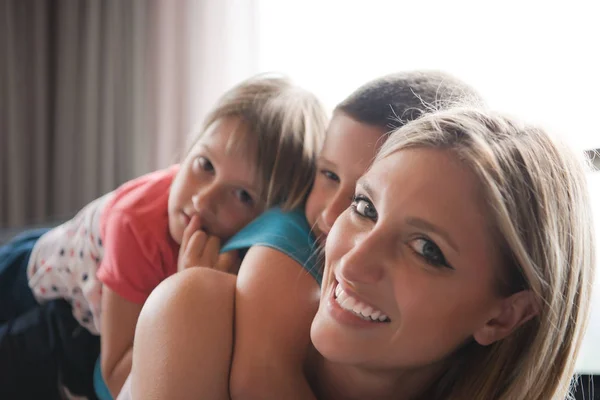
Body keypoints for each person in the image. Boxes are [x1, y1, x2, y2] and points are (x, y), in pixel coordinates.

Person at [130, 106, 595, 400]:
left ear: (504, 317)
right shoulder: (197, 316)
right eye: (365, 207)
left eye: (426, 249)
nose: (350, 263)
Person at [126, 71, 484, 399]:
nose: (330, 214)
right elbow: (261, 374)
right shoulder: (286, 236)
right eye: (328, 175)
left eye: (364, 202)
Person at [0, 74, 327, 400]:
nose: (204, 199)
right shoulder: (136, 227)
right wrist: (187, 293)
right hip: (40, 278)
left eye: (242, 195)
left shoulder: (258, 254)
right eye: (205, 165)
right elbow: (114, 376)